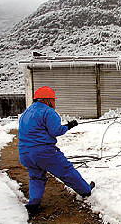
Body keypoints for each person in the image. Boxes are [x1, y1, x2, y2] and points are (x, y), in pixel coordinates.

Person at [18, 86, 95, 214]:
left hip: (25, 153)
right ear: (47, 100)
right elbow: (55, 131)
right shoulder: (48, 112)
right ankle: (86, 190)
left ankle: (34, 204)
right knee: (66, 170)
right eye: (53, 100)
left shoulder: (26, 112)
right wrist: (69, 126)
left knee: (36, 177)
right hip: (43, 152)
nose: (54, 103)